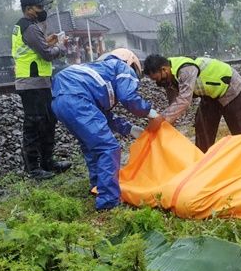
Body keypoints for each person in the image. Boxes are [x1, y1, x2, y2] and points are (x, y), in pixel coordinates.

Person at [51, 48, 164, 209]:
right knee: (108, 148)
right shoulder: (122, 67)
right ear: (132, 64)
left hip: (60, 101)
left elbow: (102, 115)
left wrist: (129, 129)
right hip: (77, 98)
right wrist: (150, 112)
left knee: (92, 147)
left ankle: (97, 187)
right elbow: (128, 97)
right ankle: (108, 202)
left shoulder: (100, 73)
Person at [13, 0, 72, 180]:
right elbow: (46, 54)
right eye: (39, 7)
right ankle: (33, 168)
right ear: (29, 9)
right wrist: (61, 48)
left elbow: (37, 48)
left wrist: (48, 41)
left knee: (48, 122)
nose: (43, 10)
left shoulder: (28, 27)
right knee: (34, 125)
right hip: (31, 84)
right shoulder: (29, 27)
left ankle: (48, 162)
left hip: (40, 82)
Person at [143, 54, 241, 152]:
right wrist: (166, 125)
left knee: (240, 127)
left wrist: (161, 119)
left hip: (229, 87)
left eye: (157, 78)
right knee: (203, 129)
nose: (157, 83)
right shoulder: (169, 79)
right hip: (209, 95)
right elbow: (173, 104)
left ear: (164, 69)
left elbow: (184, 100)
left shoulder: (185, 69)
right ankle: (202, 162)